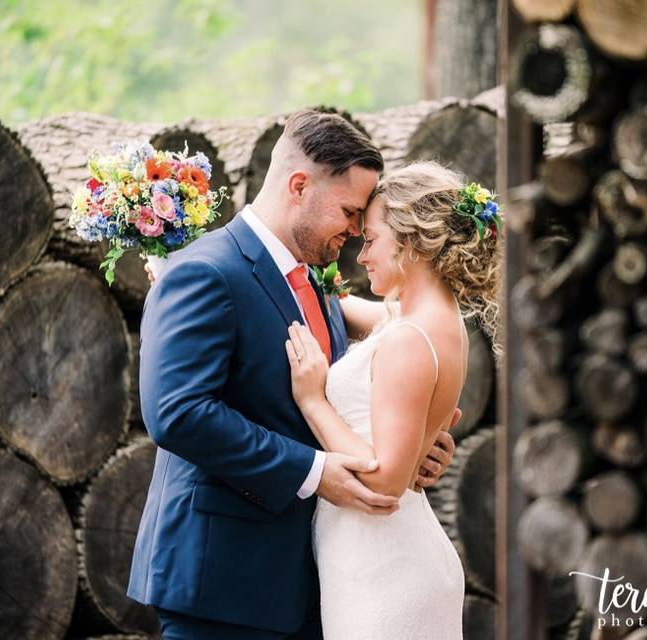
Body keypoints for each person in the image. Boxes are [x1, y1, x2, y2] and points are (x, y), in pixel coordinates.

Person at [127, 110, 458, 639]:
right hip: (224, 582)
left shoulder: (318, 286)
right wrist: (313, 471)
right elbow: (177, 412)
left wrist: (414, 444)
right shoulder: (205, 271)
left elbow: (350, 388)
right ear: (299, 186)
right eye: (350, 212)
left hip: (310, 584)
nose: (354, 233)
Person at [285, 161, 501, 639]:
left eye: (372, 239)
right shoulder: (425, 321)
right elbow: (332, 305)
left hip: (385, 571)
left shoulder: (410, 338)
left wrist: (312, 399)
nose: (361, 257)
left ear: (412, 240)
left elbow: (385, 482)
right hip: (373, 559)